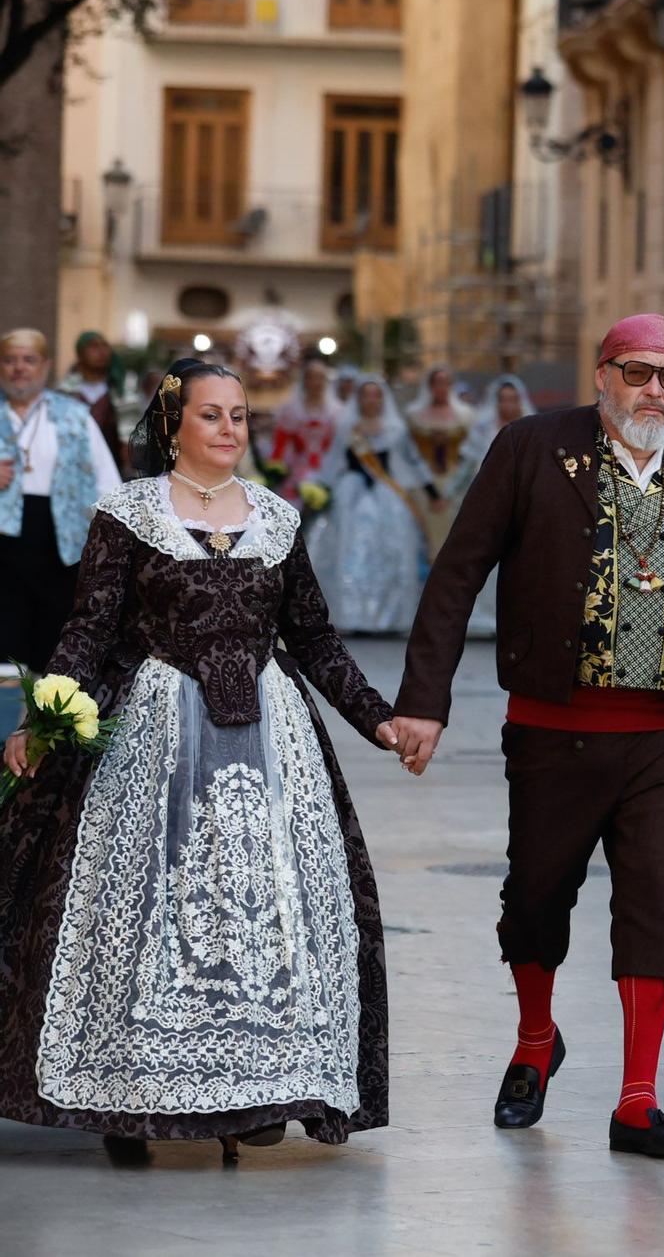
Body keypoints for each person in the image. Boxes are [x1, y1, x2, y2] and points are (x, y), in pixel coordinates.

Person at [390, 313, 664, 1161]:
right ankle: (537, 1039)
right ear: (601, 373)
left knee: (654, 905)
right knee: (534, 898)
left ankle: (636, 1101)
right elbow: (459, 571)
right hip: (551, 726)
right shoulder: (532, 447)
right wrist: (424, 700)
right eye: (636, 373)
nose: (652, 391)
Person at [0, 359, 398, 1163]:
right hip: (154, 733)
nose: (229, 430)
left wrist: (379, 720)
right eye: (212, 415)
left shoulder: (279, 520)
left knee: (269, 911)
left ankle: (256, 1093)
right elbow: (89, 631)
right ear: (173, 423)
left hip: (268, 738)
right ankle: (129, 1099)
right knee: (144, 903)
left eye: (240, 416)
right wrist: (42, 720)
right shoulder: (127, 513)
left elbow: (314, 638)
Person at [0, 328, 124, 672]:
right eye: (9, 361)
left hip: (60, 543)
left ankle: (40, 722)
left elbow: (108, 485)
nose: (18, 369)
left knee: (51, 648)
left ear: (46, 365)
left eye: (28, 360)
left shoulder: (74, 415)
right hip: (3, 546)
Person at [308, 375, 430, 634]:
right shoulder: (347, 427)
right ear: (358, 398)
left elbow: (411, 460)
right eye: (366, 394)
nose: (371, 400)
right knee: (351, 552)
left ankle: (391, 618)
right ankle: (352, 616)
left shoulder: (396, 429)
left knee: (392, 551)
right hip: (351, 493)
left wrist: (430, 490)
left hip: (387, 495)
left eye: (376, 395)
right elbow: (332, 462)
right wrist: (320, 490)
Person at [466, 374, 538, 638]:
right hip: (492, 504)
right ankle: (486, 617)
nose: (508, 405)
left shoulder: (532, 429)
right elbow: (476, 468)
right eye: (503, 400)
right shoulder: (485, 430)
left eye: (513, 399)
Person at [406, 365, 478, 558]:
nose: (441, 388)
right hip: (423, 484)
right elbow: (411, 455)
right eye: (437, 383)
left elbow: (472, 454)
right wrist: (430, 490)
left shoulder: (465, 415)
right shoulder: (414, 415)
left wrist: (450, 490)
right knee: (426, 538)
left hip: (456, 482)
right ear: (430, 386)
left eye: (446, 383)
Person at [269, 358, 344, 503]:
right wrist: (276, 470)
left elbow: (340, 446)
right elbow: (280, 444)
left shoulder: (337, 412)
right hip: (297, 469)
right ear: (304, 380)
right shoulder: (291, 410)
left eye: (321, 377)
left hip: (330, 468)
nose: (316, 382)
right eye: (312, 377)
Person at [60, 330, 127, 474]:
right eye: (93, 346)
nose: (101, 351)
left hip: (113, 469)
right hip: (72, 470)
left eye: (104, 346)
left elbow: (131, 434)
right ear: (80, 354)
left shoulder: (122, 392)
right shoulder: (65, 392)